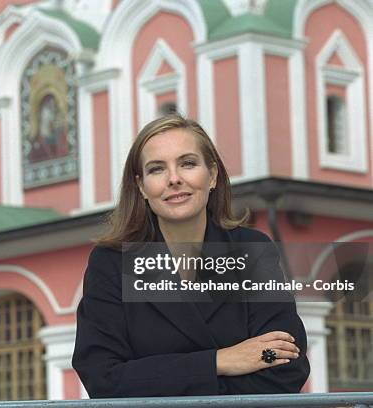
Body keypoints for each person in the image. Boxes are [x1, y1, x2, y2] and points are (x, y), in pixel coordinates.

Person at [71, 114, 310, 397]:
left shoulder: (251, 251)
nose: (174, 179)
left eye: (188, 163)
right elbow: (103, 378)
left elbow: (285, 367)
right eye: (157, 169)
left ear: (212, 175)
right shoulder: (111, 262)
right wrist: (220, 361)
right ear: (141, 187)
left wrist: (157, 379)